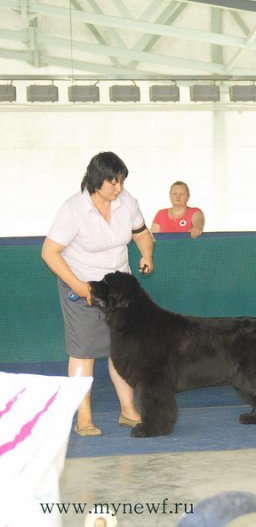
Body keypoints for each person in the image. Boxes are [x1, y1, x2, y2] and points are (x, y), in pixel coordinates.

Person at [41, 152, 154, 436]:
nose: (119, 188)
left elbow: (141, 232)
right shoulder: (73, 210)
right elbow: (49, 253)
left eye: (122, 182)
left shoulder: (126, 201)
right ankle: (84, 418)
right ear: (96, 181)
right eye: (113, 182)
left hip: (120, 288)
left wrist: (146, 254)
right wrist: (79, 287)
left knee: (122, 349)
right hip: (82, 285)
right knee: (84, 351)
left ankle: (129, 412)